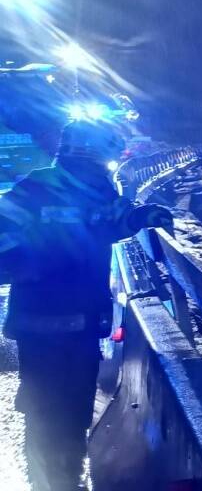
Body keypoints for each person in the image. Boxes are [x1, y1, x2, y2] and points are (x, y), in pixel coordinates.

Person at [0, 120, 172, 491]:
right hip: (42, 322)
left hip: (80, 322)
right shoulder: (35, 188)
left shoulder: (96, 191)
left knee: (74, 406)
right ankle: (49, 482)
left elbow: (114, 218)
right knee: (47, 409)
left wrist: (144, 216)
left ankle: (67, 480)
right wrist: (36, 264)